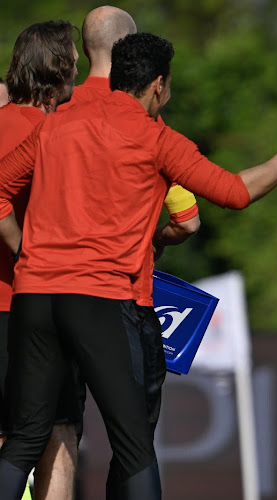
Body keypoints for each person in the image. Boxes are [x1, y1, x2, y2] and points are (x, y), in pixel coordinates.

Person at [0, 32, 277, 500]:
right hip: (99, 299)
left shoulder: (55, 125)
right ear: (158, 86)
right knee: (134, 446)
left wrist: (22, 251)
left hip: (32, 297)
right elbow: (235, 193)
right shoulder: (157, 139)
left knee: (27, 437)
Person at [57, 5, 201, 440]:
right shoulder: (149, 120)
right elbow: (188, 220)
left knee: (55, 430)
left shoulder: (56, 109)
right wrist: (153, 240)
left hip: (52, 296)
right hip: (125, 297)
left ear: (83, 49)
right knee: (134, 440)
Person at [0, 20, 82, 500]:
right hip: (33, 307)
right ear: (59, 66)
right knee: (59, 435)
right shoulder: (53, 133)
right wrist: (26, 250)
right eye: (73, 56)